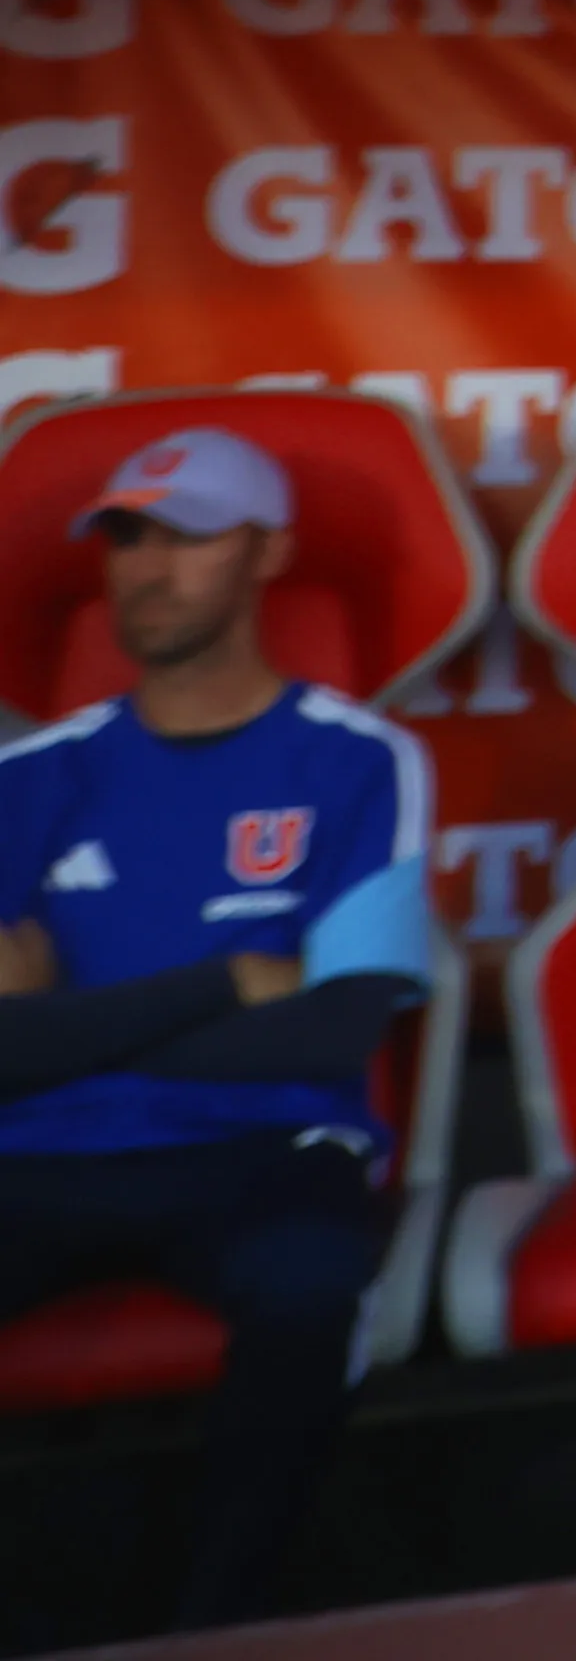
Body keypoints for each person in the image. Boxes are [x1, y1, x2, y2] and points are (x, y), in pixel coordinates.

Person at [0, 429, 437, 1630]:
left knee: (309, 1290)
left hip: (265, 1150)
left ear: (268, 555)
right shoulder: (31, 778)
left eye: (188, 536)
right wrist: (219, 983)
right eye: (127, 538)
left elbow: (330, 1034)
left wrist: (61, 1020)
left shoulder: (358, 762)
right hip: (34, 1157)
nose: (148, 568)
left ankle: (217, 1623)